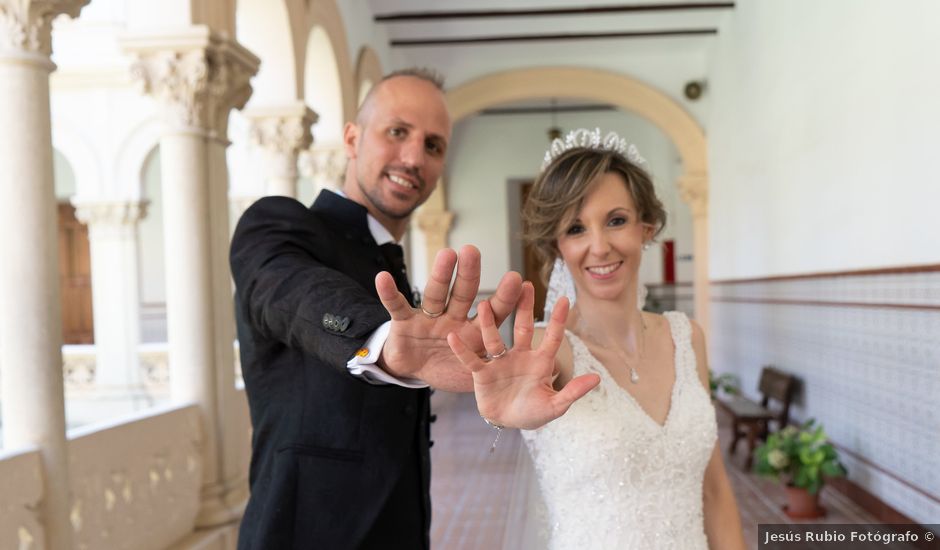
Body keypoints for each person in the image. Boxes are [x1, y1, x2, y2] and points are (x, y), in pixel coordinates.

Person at [229, 69, 595, 550]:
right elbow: (292, 293)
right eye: (397, 132)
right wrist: (379, 341)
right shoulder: (280, 226)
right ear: (352, 138)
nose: (413, 156)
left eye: (433, 145)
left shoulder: (398, 272)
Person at [448, 128, 746, 549]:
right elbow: (502, 410)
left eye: (616, 220)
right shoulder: (545, 351)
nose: (600, 246)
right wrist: (496, 418)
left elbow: (714, 490)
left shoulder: (687, 337)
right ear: (557, 246)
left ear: (646, 227)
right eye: (576, 229)